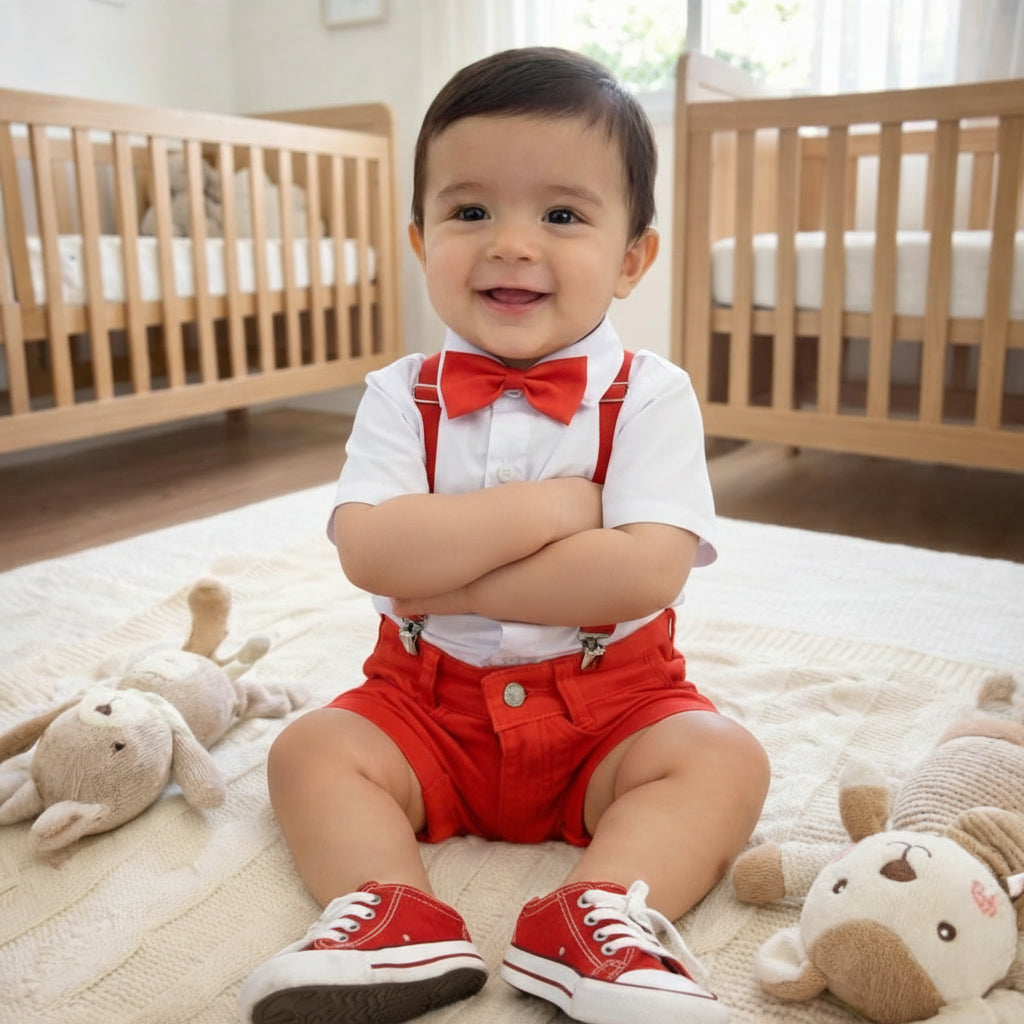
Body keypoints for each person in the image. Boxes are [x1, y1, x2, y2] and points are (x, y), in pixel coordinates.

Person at [238, 46, 770, 1024]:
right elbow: (373, 554)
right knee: (309, 748)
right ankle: (396, 916)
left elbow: (641, 572)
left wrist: (451, 579)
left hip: (614, 709)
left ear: (631, 258)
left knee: (722, 758)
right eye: (471, 211)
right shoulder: (399, 394)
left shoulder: (650, 394)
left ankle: (594, 918)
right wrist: (555, 509)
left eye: (561, 215)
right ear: (420, 239)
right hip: (424, 705)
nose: (512, 244)